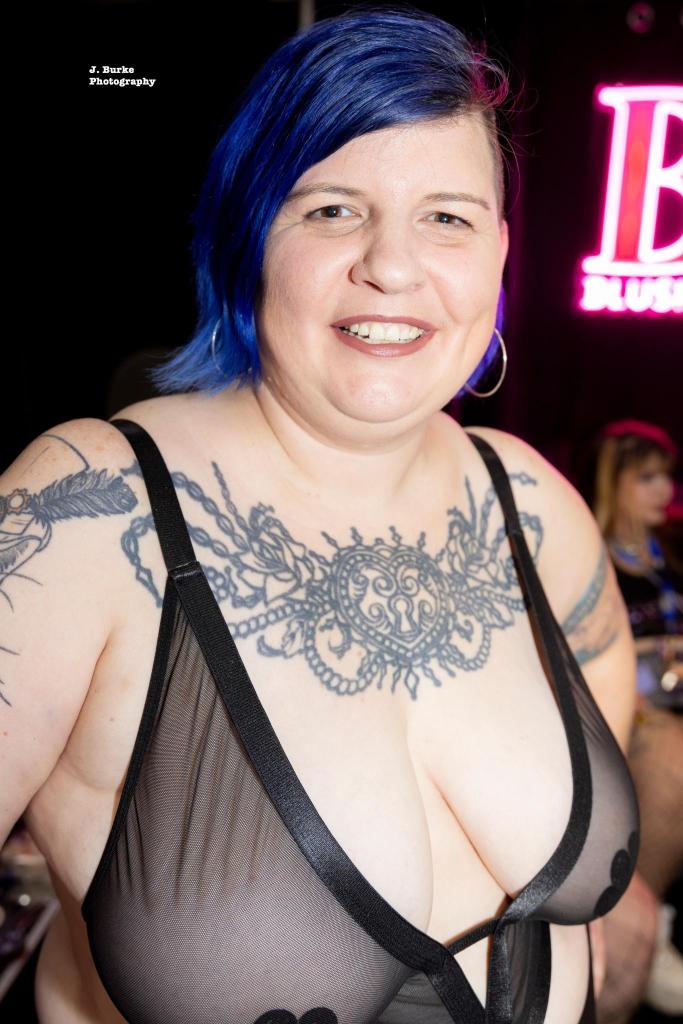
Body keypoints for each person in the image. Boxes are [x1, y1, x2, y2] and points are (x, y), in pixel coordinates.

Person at [1, 7, 639, 1023]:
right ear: (250, 234)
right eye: (333, 209)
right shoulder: (88, 511)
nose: (392, 266)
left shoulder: (531, 504)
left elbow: (611, 742)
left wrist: (625, 907)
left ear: (499, 251)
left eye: (447, 218)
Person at [590, 420, 683, 1018]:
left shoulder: (670, 551)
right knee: (674, 760)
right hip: (628, 712)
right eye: (647, 477)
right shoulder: (589, 557)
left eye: (667, 477)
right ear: (615, 482)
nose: (664, 491)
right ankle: (643, 935)